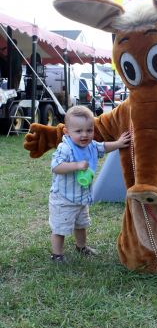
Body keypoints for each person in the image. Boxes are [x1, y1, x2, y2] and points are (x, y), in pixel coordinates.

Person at [49, 105, 131, 263]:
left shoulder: (91, 145)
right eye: (78, 131)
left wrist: (119, 143)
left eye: (89, 130)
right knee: (60, 228)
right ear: (67, 131)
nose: (85, 135)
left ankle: (81, 246)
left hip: (81, 198)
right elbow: (56, 167)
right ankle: (57, 255)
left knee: (81, 224)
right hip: (64, 199)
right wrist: (77, 165)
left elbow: (103, 147)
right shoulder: (65, 148)